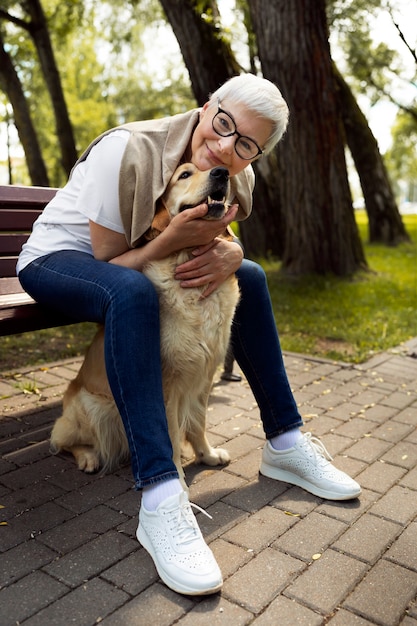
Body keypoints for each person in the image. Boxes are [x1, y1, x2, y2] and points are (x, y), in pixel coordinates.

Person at [17, 74, 361, 597]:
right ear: (206, 107)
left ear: (256, 154)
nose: (226, 146)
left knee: (251, 275)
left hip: (136, 255)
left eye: (246, 144)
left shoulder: (231, 173)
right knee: (131, 293)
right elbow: (111, 264)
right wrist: (171, 240)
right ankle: (160, 494)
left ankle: (286, 440)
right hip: (60, 261)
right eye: (223, 124)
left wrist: (237, 253)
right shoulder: (127, 150)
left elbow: (223, 235)